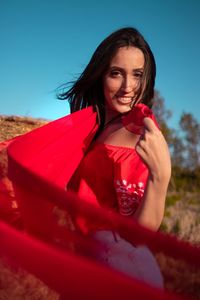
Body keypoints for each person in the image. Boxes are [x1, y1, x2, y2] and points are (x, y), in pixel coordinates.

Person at [56, 27, 171, 286]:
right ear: (101, 76)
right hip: (91, 261)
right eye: (116, 73)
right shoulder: (96, 124)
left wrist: (160, 178)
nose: (128, 87)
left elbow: (138, 235)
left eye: (137, 75)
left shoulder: (139, 128)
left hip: (122, 268)